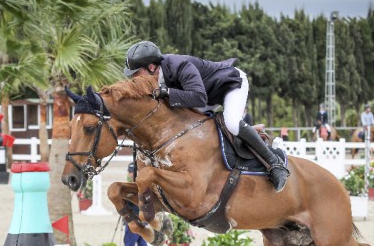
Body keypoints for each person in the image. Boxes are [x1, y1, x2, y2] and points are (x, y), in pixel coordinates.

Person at [123, 41, 289, 192]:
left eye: (135, 73)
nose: (132, 78)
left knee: (231, 123)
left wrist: (167, 92)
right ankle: (249, 133)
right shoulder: (154, 79)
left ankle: (275, 163)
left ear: (151, 67)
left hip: (230, 85)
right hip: (207, 95)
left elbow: (199, 97)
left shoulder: (180, 65)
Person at [120, 163, 152, 246]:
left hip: (132, 220)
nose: (129, 173)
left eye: (130, 171)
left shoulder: (131, 187)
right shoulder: (142, 186)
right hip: (142, 220)